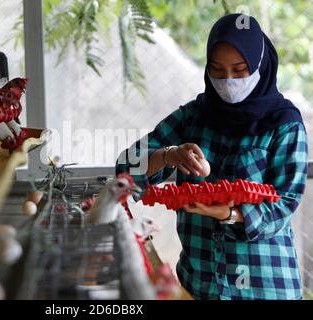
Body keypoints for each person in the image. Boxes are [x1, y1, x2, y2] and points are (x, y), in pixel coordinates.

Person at [116, 13, 308, 300]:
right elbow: (127, 167)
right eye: (217, 70)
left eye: (240, 69)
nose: (228, 80)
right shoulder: (194, 115)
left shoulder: (284, 123)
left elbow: (285, 203)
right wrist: (169, 156)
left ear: (259, 65)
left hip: (264, 285)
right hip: (201, 283)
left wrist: (230, 214)